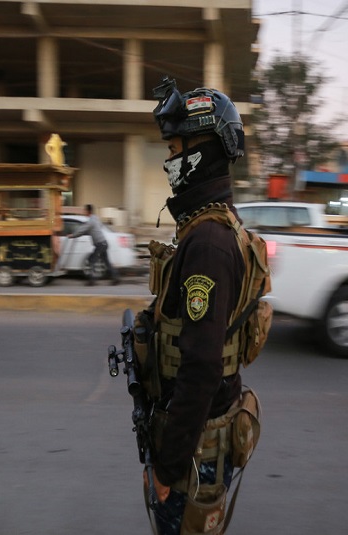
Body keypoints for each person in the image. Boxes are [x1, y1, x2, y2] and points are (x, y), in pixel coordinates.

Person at [141, 77, 252, 534]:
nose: (169, 159)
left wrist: (167, 471)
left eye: (175, 148)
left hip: (194, 452)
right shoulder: (210, 226)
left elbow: (202, 366)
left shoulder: (208, 241)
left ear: (200, 152)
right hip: (201, 438)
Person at [67, 204, 120, 285]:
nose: (83, 212)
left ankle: (92, 280)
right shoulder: (95, 219)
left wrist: (73, 235)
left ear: (88, 211)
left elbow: (82, 230)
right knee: (106, 261)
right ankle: (115, 278)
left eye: (84, 210)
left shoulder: (91, 221)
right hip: (103, 243)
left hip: (100, 244)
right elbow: (95, 227)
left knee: (92, 260)